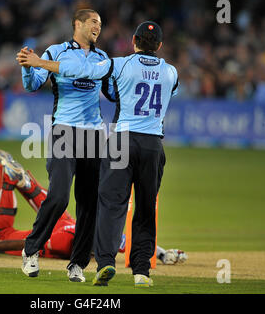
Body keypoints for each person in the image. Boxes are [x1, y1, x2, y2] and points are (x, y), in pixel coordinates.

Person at [17, 21, 179, 287]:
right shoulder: (171, 72)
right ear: (160, 46)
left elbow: (82, 71)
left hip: (121, 140)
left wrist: (39, 63)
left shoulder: (118, 64)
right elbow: (168, 91)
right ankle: (141, 272)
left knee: (109, 205)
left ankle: (103, 263)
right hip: (153, 145)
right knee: (146, 208)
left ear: (134, 42)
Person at [0, 150, 188, 267]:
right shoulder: (64, 243)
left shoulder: (103, 236)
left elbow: (131, 243)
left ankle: (26, 183)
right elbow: (28, 244)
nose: (99, 255)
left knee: (52, 208)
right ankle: (14, 181)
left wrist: (163, 254)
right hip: (61, 231)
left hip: (68, 222)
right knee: (0, 235)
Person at [15, 9, 109, 282]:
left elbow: (109, 89)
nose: (98, 27)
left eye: (100, 24)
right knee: (58, 196)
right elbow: (33, 85)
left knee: (90, 203)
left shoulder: (102, 58)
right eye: (93, 22)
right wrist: (26, 66)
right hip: (64, 131)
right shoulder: (55, 51)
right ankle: (31, 250)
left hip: (93, 135)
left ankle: (77, 264)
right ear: (77, 24)